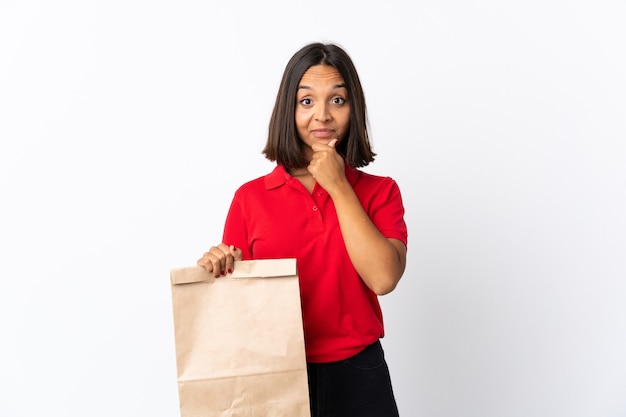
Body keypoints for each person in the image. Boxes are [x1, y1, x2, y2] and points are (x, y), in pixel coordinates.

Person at [197, 42, 408, 417]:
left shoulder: (381, 191)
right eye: (306, 101)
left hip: (360, 374)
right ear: (288, 110)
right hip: (274, 373)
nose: (322, 116)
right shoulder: (250, 199)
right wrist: (220, 264)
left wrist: (339, 185)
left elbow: (383, 279)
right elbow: (236, 305)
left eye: (338, 100)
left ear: (353, 108)